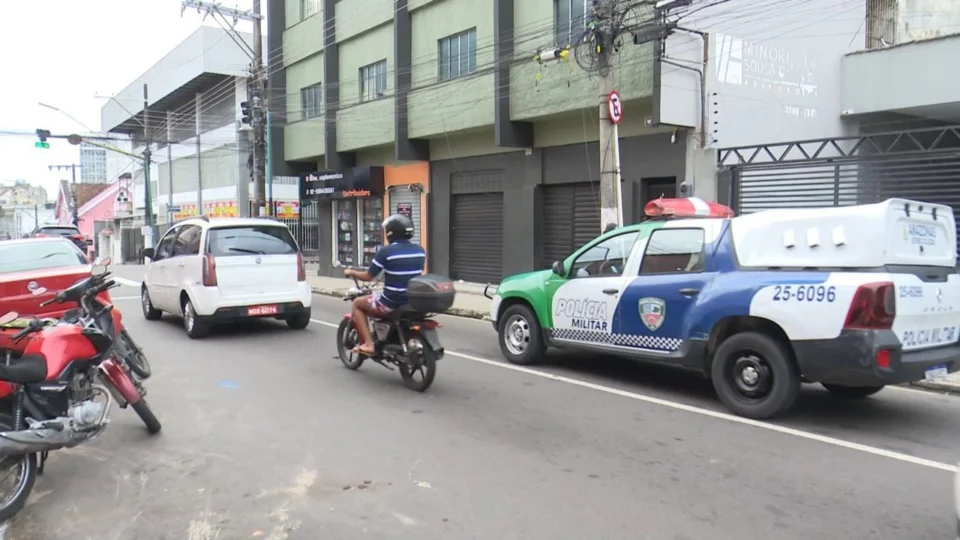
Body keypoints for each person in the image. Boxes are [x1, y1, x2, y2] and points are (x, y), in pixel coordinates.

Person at [343, 214, 426, 356]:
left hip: (392, 301)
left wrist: (352, 272)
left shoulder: (386, 251)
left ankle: (369, 344)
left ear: (390, 233)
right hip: (413, 300)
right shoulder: (420, 250)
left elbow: (369, 276)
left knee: (357, 303)